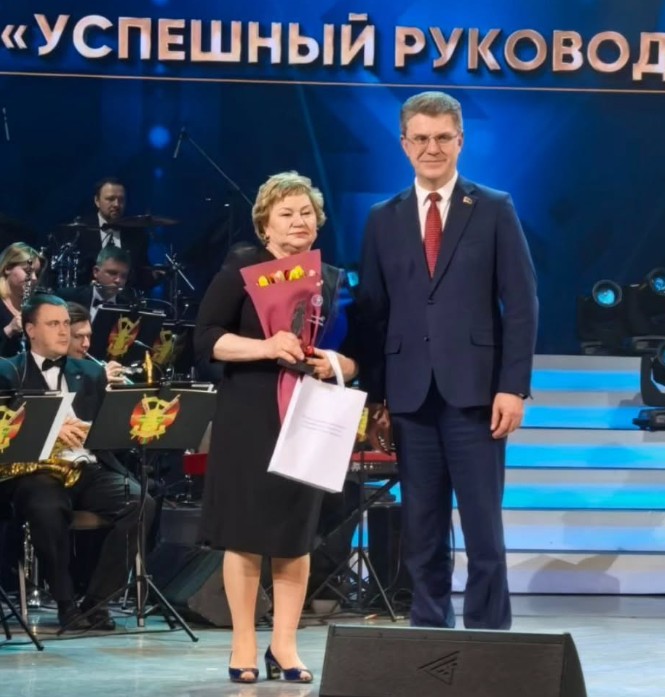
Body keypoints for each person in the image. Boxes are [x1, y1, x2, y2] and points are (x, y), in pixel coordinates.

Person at [356, 91, 538, 630]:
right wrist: (376, 398)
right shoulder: (382, 218)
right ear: (404, 144)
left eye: (442, 138)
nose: (431, 148)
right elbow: (372, 312)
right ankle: (429, 629)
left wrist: (514, 386)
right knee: (421, 526)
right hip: (410, 396)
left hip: (477, 395)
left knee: (483, 529)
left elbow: (522, 302)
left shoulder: (494, 207)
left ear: (461, 141)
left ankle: (489, 636)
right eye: (421, 138)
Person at [194, 171, 357, 684]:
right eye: (286, 213)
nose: (297, 221)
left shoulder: (333, 279)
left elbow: (357, 354)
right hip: (249, 411)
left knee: (295, 535)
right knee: (244, 533)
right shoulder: (243, 267)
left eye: (306, 212)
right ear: (265, 225)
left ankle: (284, 645)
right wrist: (267, 347)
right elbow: (206, 339)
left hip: (309, 413)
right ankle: (244, 642)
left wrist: (334, 362)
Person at [0, 294, 154, 630]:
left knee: (140, 500)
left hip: (85, 466)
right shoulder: (8, 370)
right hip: (36, 471)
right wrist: (52, 427)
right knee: (46, 506)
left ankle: (96, 602)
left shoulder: (90, 371)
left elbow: (107, 433)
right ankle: (66, 603)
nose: (64, 331)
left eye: (66, 323)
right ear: (30, 330)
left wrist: (101, 427)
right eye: (53, 324)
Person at [72, 177, 155, 290]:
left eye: (121, 200)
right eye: (110, 199)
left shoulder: (136, 234)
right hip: (87, 296)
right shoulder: (80, 230)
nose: (116, 204)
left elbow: (142, 276)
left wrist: (158, 274)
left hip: (124, 298)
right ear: (97, 201)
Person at [58, 246, 134, 320]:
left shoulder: (129, 307)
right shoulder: (67, 297)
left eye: (123, 276)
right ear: (96, 272)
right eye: (112, 273)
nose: (118, 280)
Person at [0, 242, 44, 357]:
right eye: (28, 271)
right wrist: (9, 330)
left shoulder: (35, 306)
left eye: (36, 273)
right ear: (7, 268)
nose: (34, 278)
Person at [66, 301, 128, 384]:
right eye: (78, 336)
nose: (86, 344)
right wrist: (100, 380)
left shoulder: (89, 369)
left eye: (88, 336)